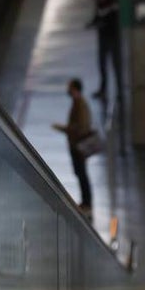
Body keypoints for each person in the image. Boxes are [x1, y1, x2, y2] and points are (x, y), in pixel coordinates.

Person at [54, 78, 95, 217]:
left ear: (75, 89)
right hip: (76, 144)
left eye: (70, 87)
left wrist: (63, 128)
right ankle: (85, 202)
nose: (68, 89)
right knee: (80, 173)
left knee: (82, 174)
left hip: (78, 145)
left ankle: (87, 204)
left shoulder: (80, 104)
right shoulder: (77, 102)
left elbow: (80, 126)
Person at [88, 0, 123, 100]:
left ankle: (120, 91)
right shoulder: (99, 5)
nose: (97, 0)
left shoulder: (113, 0)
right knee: (102, 65)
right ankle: (103, 90)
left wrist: (102, 17)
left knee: (116, 65)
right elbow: (98, 17)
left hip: (113, 38)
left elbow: (112, 15)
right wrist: (92, 24)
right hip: (103, 38)